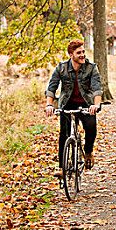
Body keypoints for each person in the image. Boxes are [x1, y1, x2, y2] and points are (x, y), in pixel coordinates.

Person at [45, 39, 103, 175]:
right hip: (67, 103)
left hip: (86, 104)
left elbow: (97, 88)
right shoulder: (61, 68)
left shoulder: (91, 67)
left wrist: (96, 104)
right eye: (79, 53)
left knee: (91, 128)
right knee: (64, 134)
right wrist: (49, 104)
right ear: (71, 55)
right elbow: (52, 87)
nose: (83, 55)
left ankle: (88, 152)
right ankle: (62, 167)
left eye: (83, 52)